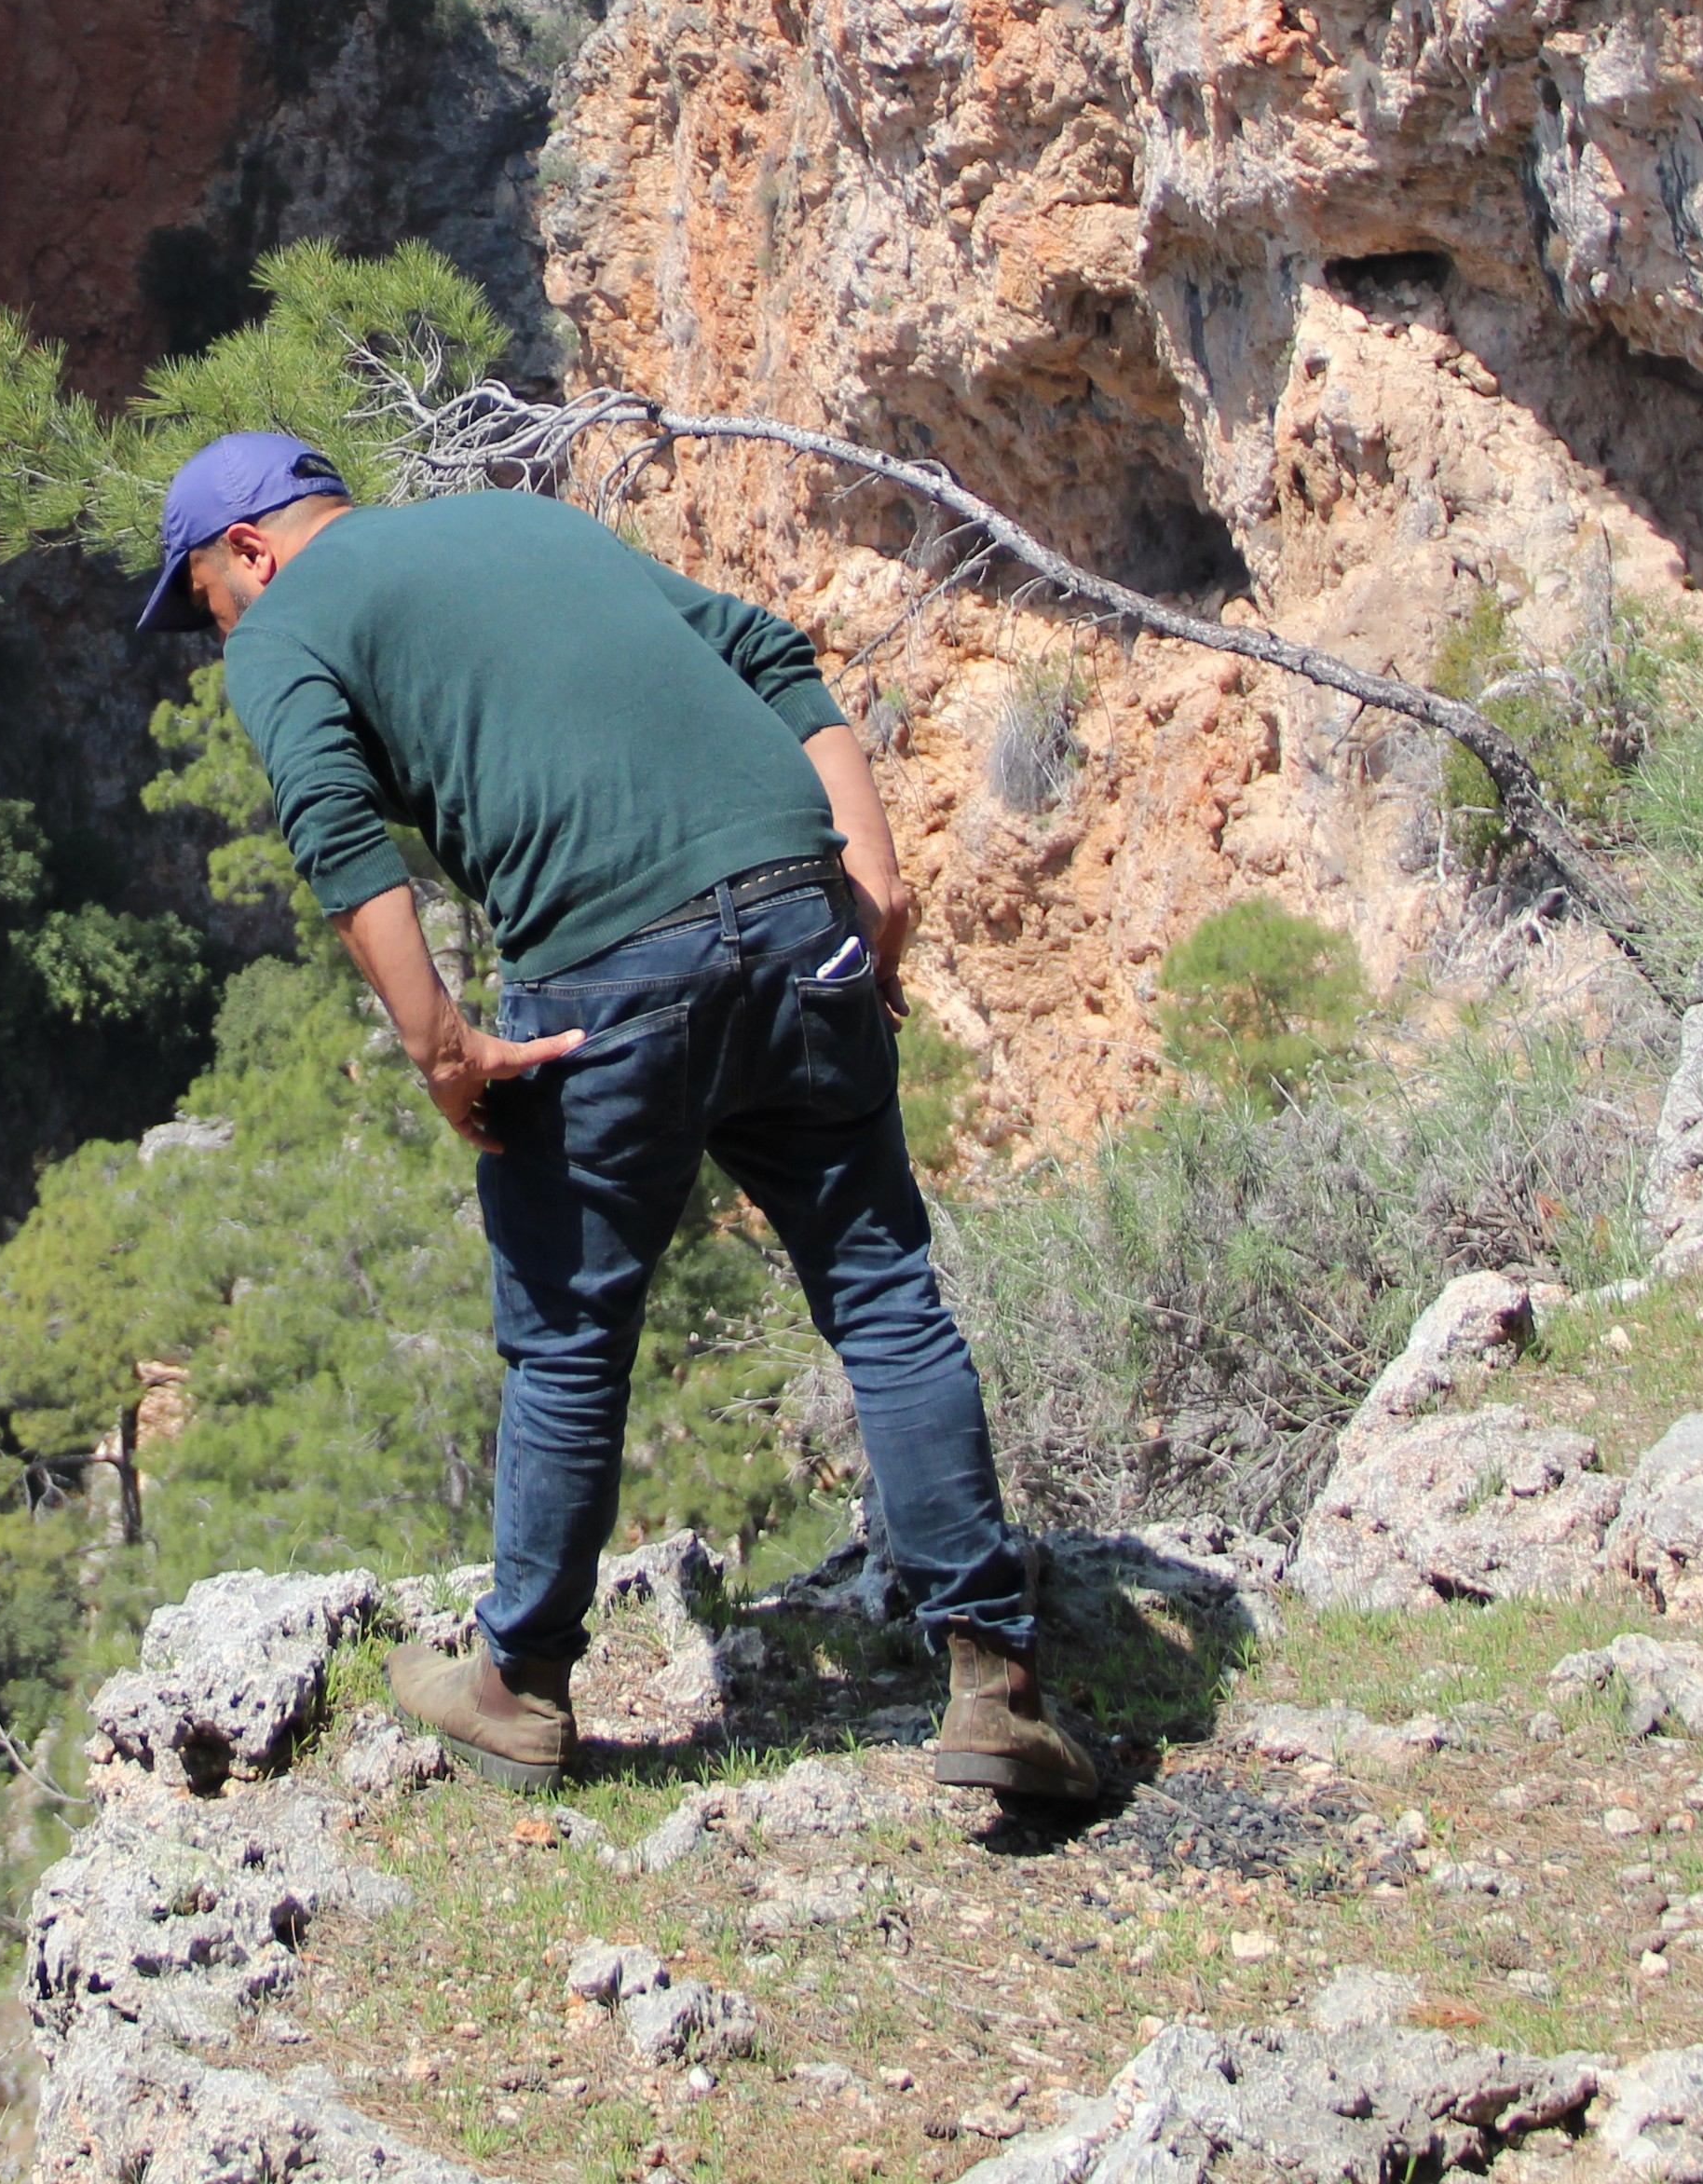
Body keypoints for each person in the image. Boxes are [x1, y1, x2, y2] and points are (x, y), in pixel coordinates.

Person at [138, 430, 1100, 1804]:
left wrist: (443, 1051)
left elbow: (339, 842)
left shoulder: (282, 626)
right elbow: (774, 659)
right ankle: (994, 1685)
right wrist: (873, 883)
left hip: (607, 970)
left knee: (571, 1335)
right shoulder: (525, 525)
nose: (211, 629)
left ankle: (519, 1690)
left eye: (204, 600)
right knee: (882, 1292)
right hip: (795, 907)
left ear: (250, 549)